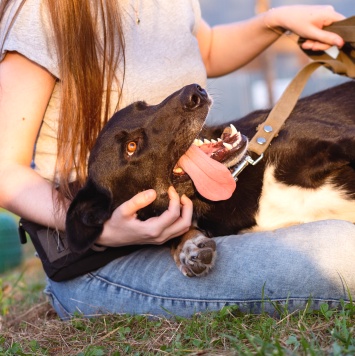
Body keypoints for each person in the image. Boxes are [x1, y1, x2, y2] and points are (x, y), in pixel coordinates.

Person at [0, 0, 354, 320]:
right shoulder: (44, 12)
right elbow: (5, 171)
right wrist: (105, 231)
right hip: (105, 259)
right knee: (340, 254)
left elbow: (208, 49)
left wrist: (275, 22)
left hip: (195, 214)